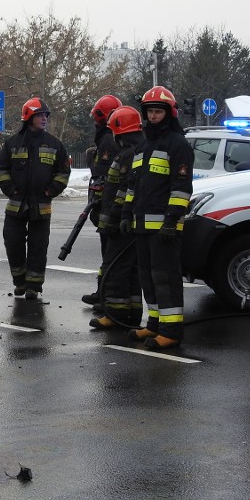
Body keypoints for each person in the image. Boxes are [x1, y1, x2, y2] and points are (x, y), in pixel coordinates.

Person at [119, 86, 194, 350]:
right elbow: (133, 185)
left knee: (165, 278)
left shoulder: (178, 145)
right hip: (141, 226)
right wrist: (127, 213)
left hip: (164, 227)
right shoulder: (143, 145)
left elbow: (182, 188)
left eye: (158, 112)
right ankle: (153, 324)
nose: (153, 116)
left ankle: (171, 331)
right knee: (147, 278)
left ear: (169, 113)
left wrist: (171, 221)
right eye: (150, 111)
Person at [0, 97, 71, 299]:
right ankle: (19, 282)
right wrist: (10, 189)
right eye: (40, 115)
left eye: (46, 115)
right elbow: (0, 169)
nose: (44, 118)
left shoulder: (55, 144)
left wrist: (51, 190)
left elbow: (63, 172)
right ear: (29, 117)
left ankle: (34, 287)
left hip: (41, 206)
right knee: (13, 242)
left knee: (38, 247)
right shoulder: (12, 144)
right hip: (16, 205)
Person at [88, 106, 145, 330]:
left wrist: (113, 217)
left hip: (120, 222)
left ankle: (114, 315)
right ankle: (131, 313)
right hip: (125, 222)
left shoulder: (128, 155)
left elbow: (123, 190)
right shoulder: (132, 152)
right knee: (130, 269)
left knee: (115, 268)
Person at [82, 94, 123, 307]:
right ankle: (103, 291)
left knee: (110, 252)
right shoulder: (108, 138)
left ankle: (105, 295)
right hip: (105, 206)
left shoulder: (107, 140)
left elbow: (105, 176)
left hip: (108, 206)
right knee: (107, 253)